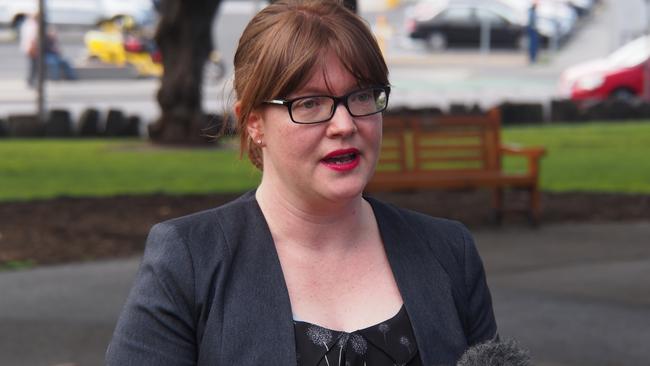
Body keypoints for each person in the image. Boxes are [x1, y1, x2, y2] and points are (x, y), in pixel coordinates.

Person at [105, 1, 498, 365]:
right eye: (309, 103)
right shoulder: (190, 260)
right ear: (253, 121)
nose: (344, 125)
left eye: (361, 97)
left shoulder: (449, 252)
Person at [19, 12, 76, 87]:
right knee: (34, 66)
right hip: (32, 48)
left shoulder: (29, 24)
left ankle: (32, 81)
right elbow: (32, 38)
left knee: (34, 66)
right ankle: (32, 81)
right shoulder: (32, 25)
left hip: (31, 48)